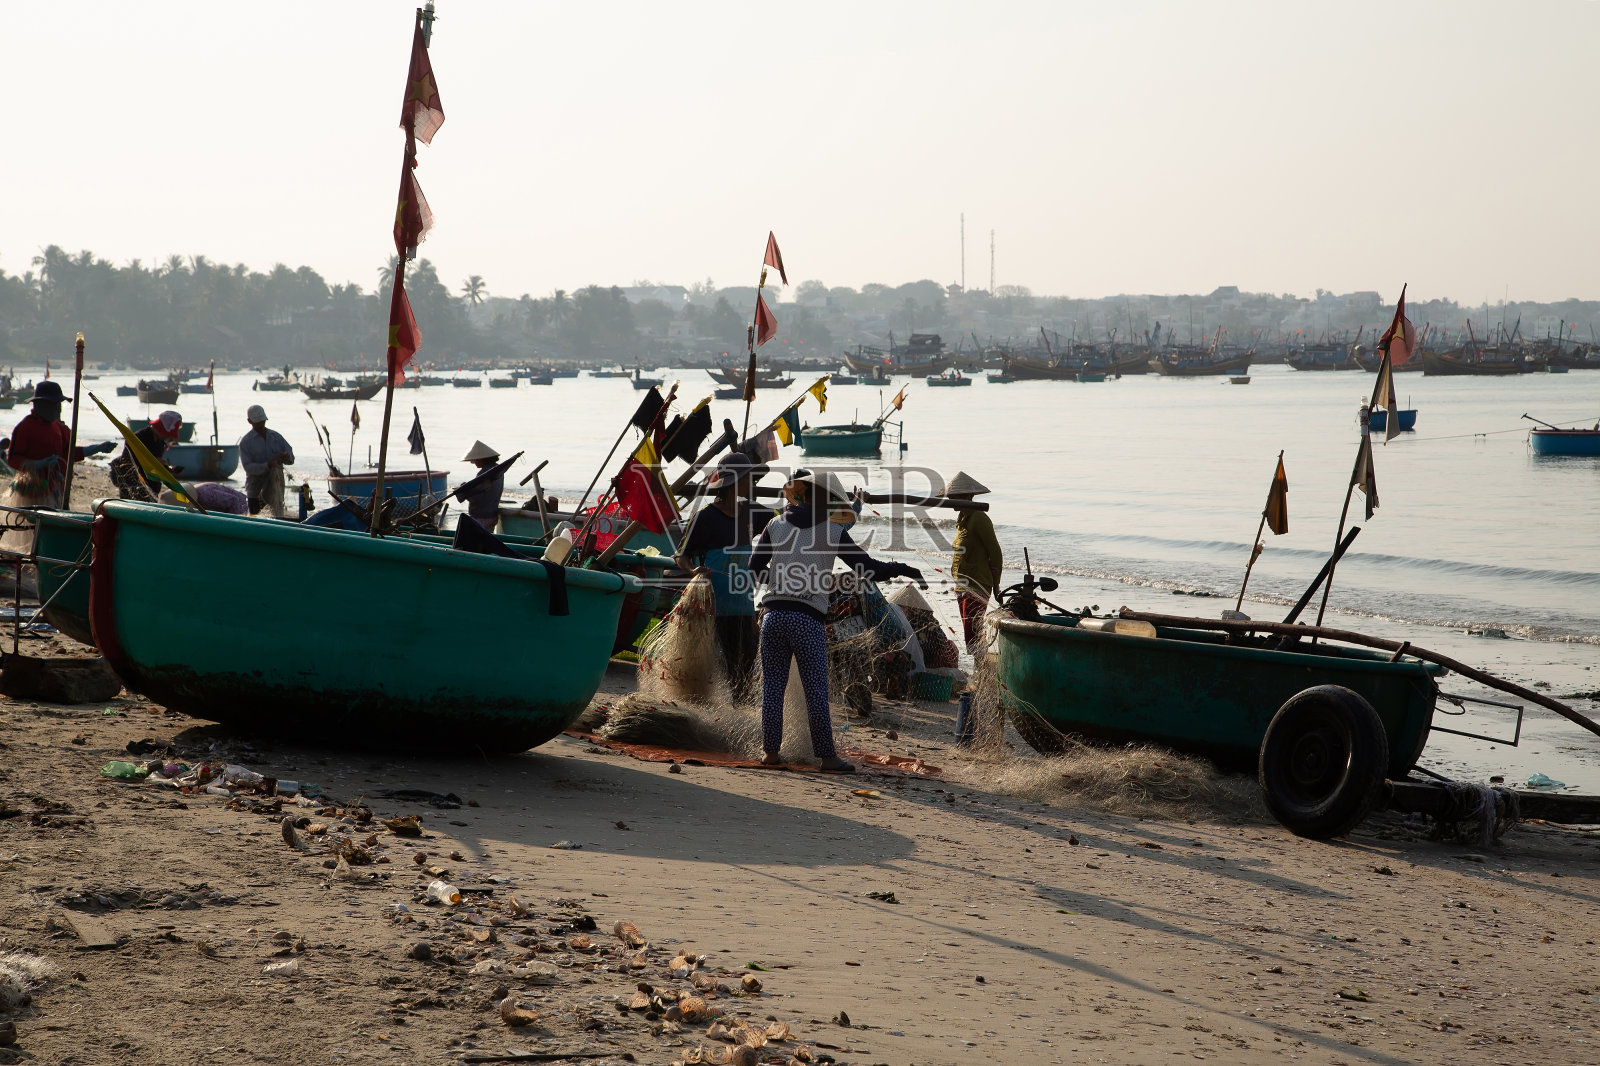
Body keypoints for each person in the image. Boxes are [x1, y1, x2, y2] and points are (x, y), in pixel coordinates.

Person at [749, 468, 925, 772]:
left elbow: (754, 566)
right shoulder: (832, 531)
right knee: (816, 689)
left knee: (773, 687)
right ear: (828, 500)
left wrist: (782, 582)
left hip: (773, 616)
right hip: (807, 620)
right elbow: (867, 568)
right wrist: (902, 568)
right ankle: (827, 758)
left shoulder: (775, 524)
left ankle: (770, 753)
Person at [674, 451, 776, 697]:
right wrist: (694, 570)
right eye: (747, 478)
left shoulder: (752, 512)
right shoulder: (705, 518)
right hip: (712, 609)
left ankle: (738, 716)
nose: (751, 483)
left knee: (744, 667)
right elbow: (681, 556)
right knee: (717, 669)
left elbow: (783, 523)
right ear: (733, 482)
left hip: (742, 607)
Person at [945, 470, 1002, 653]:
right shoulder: (962, 519)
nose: (951, 499)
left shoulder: (979, 518)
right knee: (971, 635)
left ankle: (982, 673)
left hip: (977, 585)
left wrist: (996, 585)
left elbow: (996, 553)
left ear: (968, 496)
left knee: (973, 635)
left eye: (955, 495)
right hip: (962, 585)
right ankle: (980, 670)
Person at [109, 410, 183, 500]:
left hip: (151, 488)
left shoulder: (160, 443)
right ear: (160, 428)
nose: (167, 437)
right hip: (132, 485)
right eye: (167, 434)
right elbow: (128, 463)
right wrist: (153, 461)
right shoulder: (138, 438)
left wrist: (170, 469)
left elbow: (155, 465)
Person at [238, 404, 294, 517]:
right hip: (255, 489)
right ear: (249, 421)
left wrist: (287, 457)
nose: (260, 424)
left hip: (275, 487)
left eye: (262, 421)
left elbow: (291, 457)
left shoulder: (276, 437)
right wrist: (268, 465)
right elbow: (248, 467)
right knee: (255, 518)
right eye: (257, 422)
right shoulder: (246, 442)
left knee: (277, 515)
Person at [458, 440, 504, 532]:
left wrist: (463, 490)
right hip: (491, 515)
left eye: (475, 460)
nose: (473, 462)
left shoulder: (484, 474)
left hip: (482, 517)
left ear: (481, 459)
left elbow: (477, 497)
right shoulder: (498, 470)